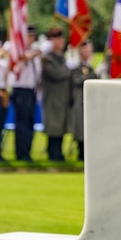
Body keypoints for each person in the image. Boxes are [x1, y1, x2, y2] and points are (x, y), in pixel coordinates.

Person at [41, 25, 72, 162]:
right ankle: (53, 153)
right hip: (53, 97)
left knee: (61, 126)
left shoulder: (62, 57)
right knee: (54, 126)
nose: (60, 42)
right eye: (57, 39)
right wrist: (68, 68)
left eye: (61, 39)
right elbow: (56, 74)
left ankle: (58, 152)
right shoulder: (47, 58)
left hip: (63, 97)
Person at [11, 26, 41, 163]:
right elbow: (23, 59)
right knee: (22, 122)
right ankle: (21, 152)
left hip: (32, 90)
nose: (32, 39)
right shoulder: (17, 51)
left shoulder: (33, 53)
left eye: (33, 36)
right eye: (29, 36)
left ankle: (27, 151)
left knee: (30, 122)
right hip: (21, 89)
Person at [69, 38, 96, 162]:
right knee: (80, 127)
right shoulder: (76, 67)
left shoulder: (89, 67)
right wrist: (91, 76)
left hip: (90, 102)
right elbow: (78, 80)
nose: (89, 53)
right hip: (79, 101)